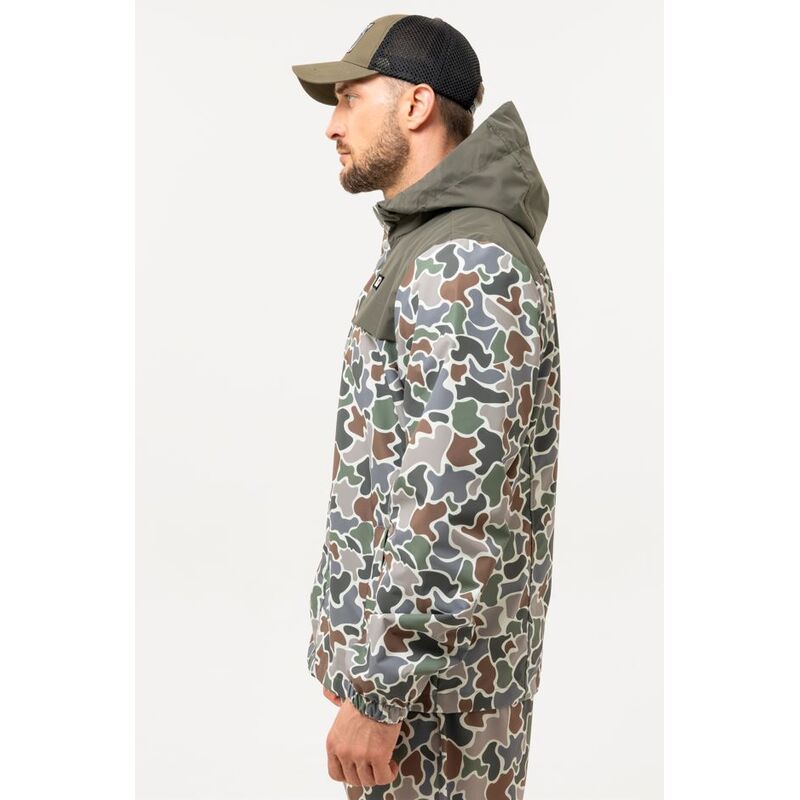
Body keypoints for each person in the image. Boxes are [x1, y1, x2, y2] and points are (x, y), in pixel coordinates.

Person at [291, 13, 560, 800]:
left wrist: (380, 692)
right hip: (418, 694)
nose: (333, 125)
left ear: (415, 105)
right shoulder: (428, 245)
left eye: (350, 98)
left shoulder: (466, 260)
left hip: (435, 712)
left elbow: (451, 502)